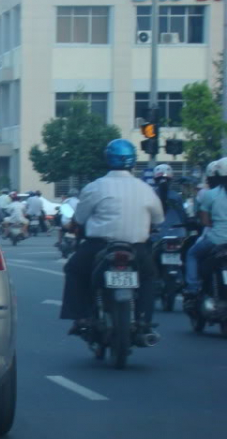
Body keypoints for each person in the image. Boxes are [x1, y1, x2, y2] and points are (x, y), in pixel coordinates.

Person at [60, 139, 164, 336]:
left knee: (73, 269)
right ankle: (144, 319)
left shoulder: (96, 187)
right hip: (136, 248)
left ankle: (81, 316)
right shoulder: (145, 188)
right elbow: (158, 218)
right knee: (149, 277)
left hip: (100, 245)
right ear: (133, 161)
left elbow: (80, 218)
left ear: (108, 159)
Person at [184, 157, 227, 299]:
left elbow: (204, 221)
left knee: (192, 254)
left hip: (216, 240)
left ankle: (193, 287)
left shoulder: (210, 195)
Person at [150, 163, 187, 242]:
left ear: (155, 180)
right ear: (171, 180)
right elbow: (183, 217)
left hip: (156, 236)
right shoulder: (176, 196)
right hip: (177, 235)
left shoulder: (150, 196)